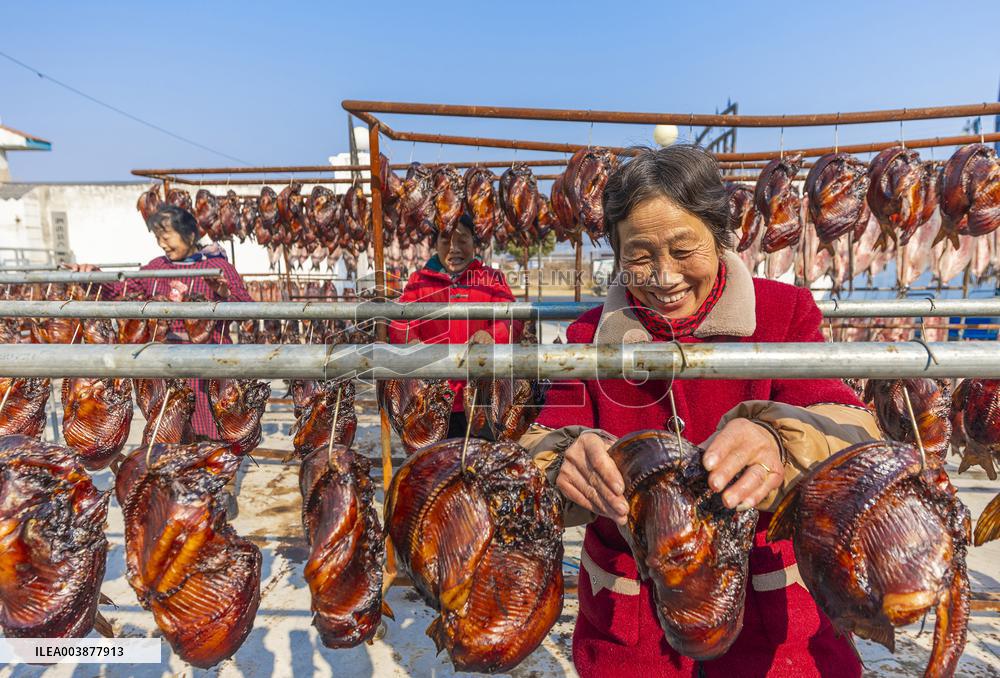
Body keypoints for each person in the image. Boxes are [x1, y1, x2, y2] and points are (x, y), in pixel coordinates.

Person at [519, 146, 880, 677]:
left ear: (721, 235)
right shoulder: (587, 338)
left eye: (684, 250)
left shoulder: (784, 314)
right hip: (633, 628)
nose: (664, 277)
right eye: (639, 256)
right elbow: (540, 443)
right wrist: (559, 462)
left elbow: (850, 430)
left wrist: (782, 445)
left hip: (772, 627)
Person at [70, 204, 252, 437]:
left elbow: (246, 308)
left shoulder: (218, 267)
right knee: (174, 431)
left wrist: (225, 294)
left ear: (191, 234)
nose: (162, 244)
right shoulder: (157, 267)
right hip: (168, 363)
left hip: (211, 362)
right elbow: (121, 291)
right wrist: (94, 275)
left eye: (166, 237)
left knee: (216, 426)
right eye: (158, 238)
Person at [389, 213, 521, 436]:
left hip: (482, 398)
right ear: (435, 244)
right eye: (445, 241)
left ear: (474, 242)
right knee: (436, 464)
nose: (454, 248)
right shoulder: (418, 281)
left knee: (480, 462)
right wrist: (409, 341)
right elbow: (401, 321)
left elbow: (512, 320)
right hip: (432, 398)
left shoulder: (492, 279)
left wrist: (492, 335)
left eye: (462, 240)